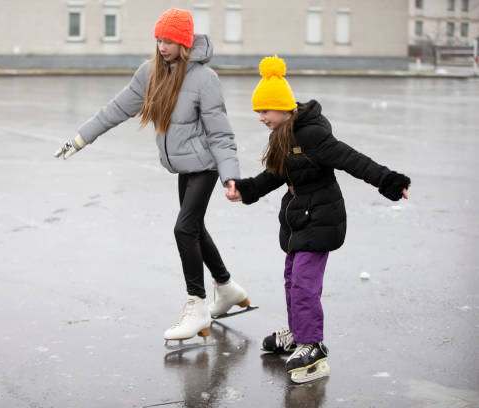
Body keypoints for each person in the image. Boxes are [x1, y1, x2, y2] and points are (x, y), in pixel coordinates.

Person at [54, 8, 251, 342]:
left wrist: (230, 176)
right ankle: (227, 287)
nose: (162, 46)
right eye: (159, 39)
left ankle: (198, 305)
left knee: (184, 228)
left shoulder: (205, 79)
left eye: (170, 41)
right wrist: (81, 138)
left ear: (184, 43)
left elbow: (220, 135)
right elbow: (115, 109)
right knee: (195, 229)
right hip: (183, 167)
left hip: (204, 166)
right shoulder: (149, 73)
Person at [226, 55, 411, 383]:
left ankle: (313, 345)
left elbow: (351, 159)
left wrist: (389, 180)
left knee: (304, 285)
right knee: (291, 280)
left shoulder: (312, 136)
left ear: (283, 108)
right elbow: (274, 175)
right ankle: (298, 334)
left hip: (321, 218)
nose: (260, 117)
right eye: (257, 111)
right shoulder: (281, 137)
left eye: (265, 111)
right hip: (298, 221)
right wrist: (246, 189)